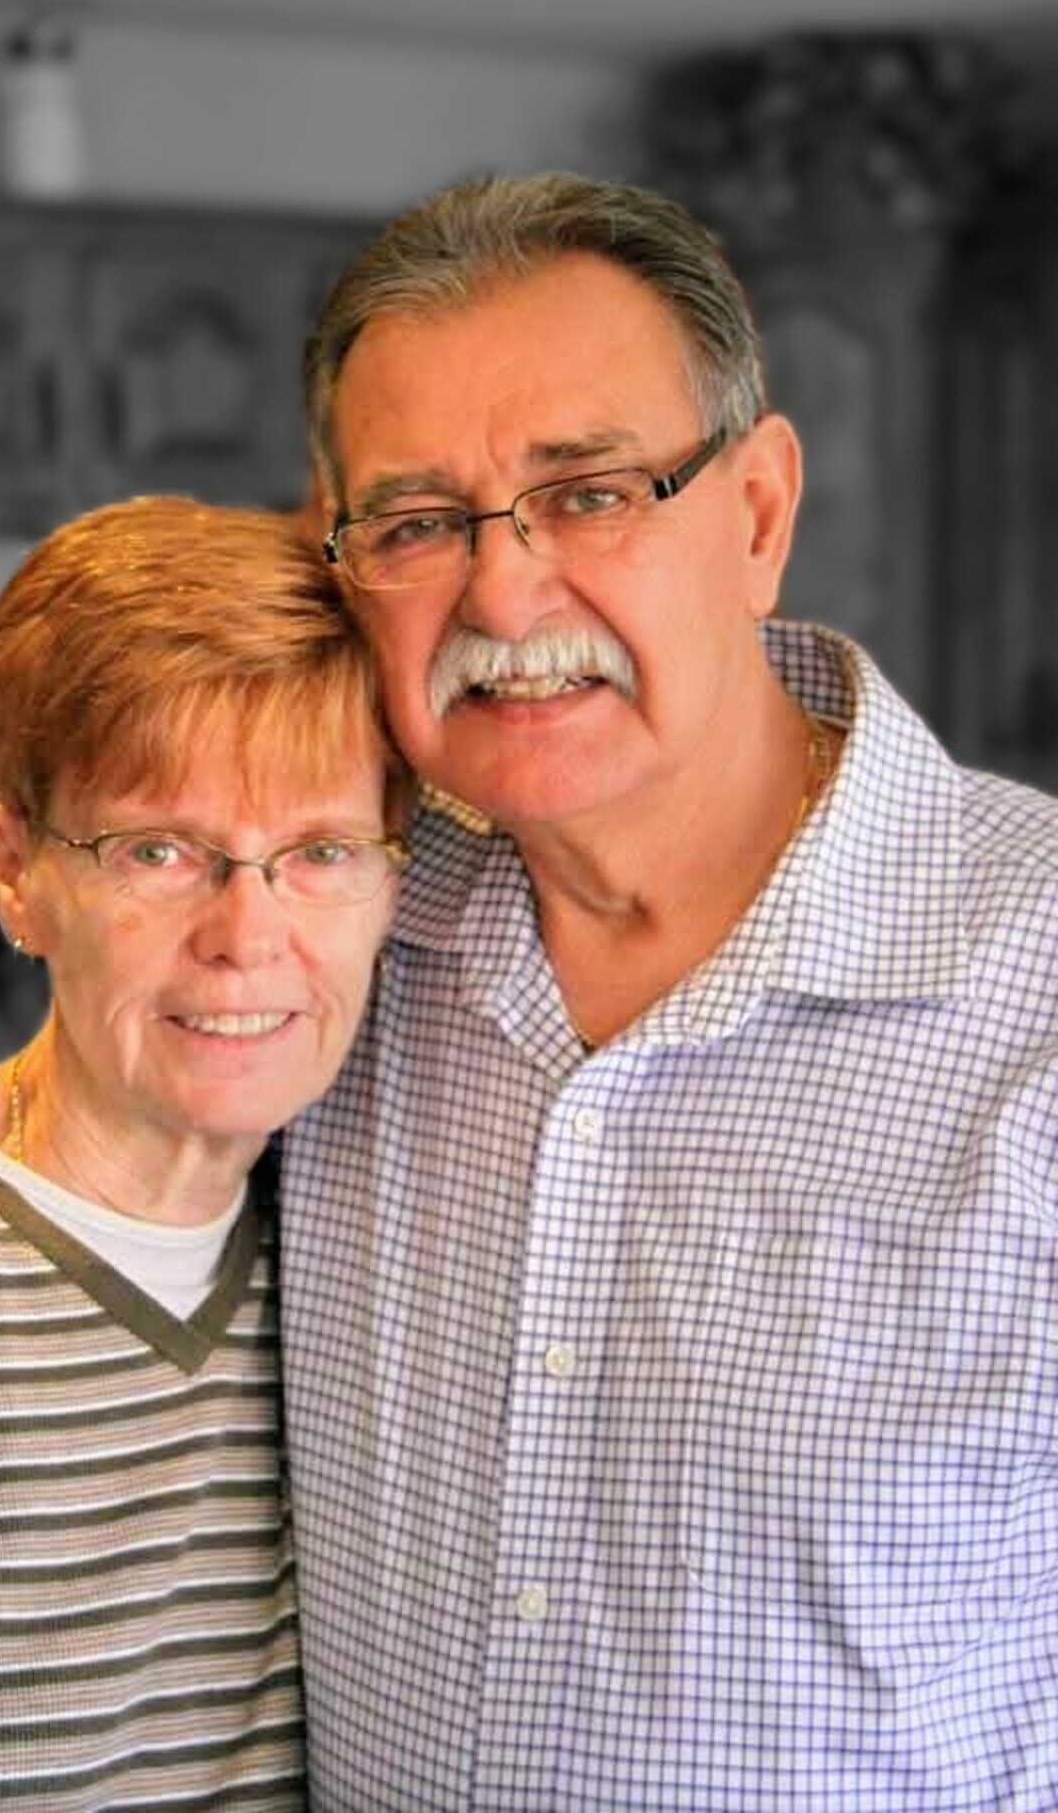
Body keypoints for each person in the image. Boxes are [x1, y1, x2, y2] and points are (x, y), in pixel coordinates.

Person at [280, 173, 1058, 1811]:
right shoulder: (314, 954)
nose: (504, 597)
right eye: (417, 524)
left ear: (758, 513)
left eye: (590, 494)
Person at [0, 496, 409, 1810]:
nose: (247, 937)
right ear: (17, 873)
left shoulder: (354, 1264)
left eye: (319, 851)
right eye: (158, 851)